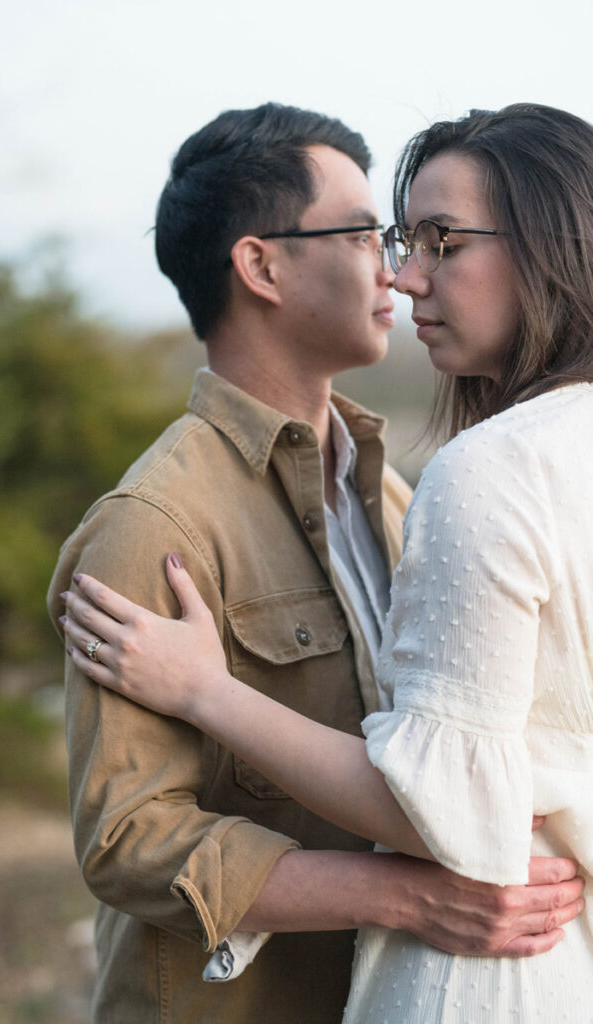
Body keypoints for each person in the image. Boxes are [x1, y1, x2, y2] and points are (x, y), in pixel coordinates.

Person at [50, 102, 585, 1024]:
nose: (396, 269)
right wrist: (400, 895)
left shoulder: (397, 498)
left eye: (422, 239)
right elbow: (127, 838)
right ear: (259, 265)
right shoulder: (153, 523)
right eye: (371, 234)